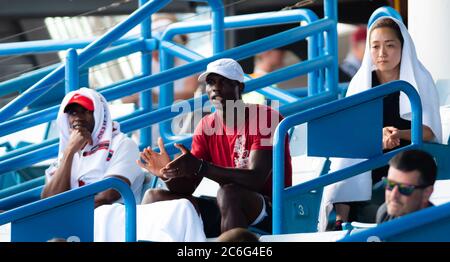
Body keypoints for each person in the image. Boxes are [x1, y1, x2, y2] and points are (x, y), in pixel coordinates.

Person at [137, 58, 292, 237]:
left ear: (240, 87)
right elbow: (188, 187)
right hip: (227, 206)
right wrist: (167, 174)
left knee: (229, 192)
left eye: (224, 81)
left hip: (271, 209)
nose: (215, 88)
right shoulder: (206, 125)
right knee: (153, 196)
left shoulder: (266, 117)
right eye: (211, 82)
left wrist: (201, 167)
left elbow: (256, 178)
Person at [319, 17, 442, 231]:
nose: (382, 53)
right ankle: (340, 221)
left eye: (390, 45)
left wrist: (398, 134)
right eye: (375, 46)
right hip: (370, 159)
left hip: (408, 163)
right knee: (345, 158)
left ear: (403, 47)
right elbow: (351, 133)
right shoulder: (361, 83)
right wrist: (377, 135)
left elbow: (430, 132)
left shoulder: (420, 79)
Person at [42, 88, 144, 206]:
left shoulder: (123, 144)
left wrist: (68, 213)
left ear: (99, 114)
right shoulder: (67, 153)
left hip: (113, 221)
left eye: (86, 111)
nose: (78, 118)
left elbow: (107, 196)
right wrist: (69, 152)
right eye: (73, 113)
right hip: (73, 220)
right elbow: (48, 201)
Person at [376, 149, 436, 223]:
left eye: (404, 188)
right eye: (390, 184)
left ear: (426, 194)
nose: (393, 195)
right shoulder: (384, 213)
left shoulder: (441, 230)